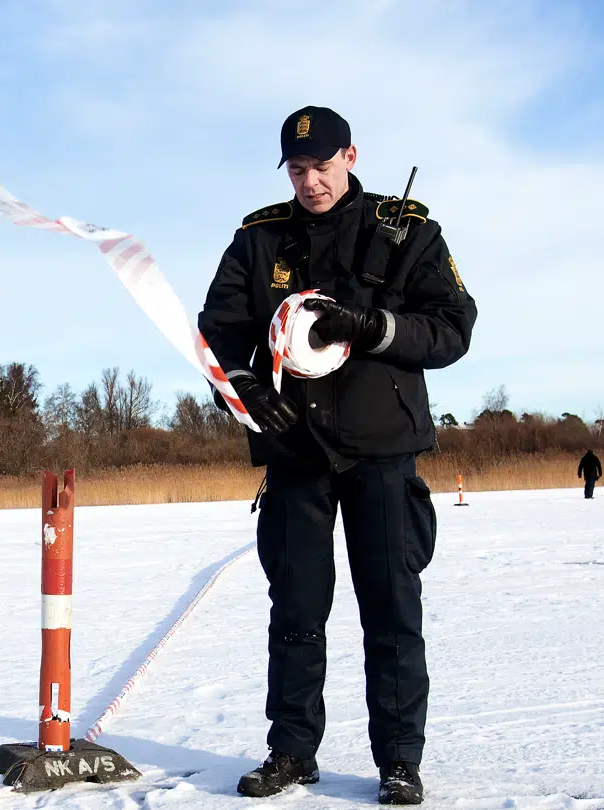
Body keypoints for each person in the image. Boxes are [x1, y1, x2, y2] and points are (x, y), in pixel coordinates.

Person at [198, 105, 477, 806]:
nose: (310, 181)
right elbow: (218, 334)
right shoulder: (259, 239)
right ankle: (292, 751)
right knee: (295, 611)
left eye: (321, 166)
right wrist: (249, 392)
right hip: (295, 453)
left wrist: (376, 327)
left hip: (382, 451)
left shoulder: (406, 229)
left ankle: (399, 762)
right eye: (297, 169)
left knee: (391, 611)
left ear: (351, 155)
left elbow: (452, 329)